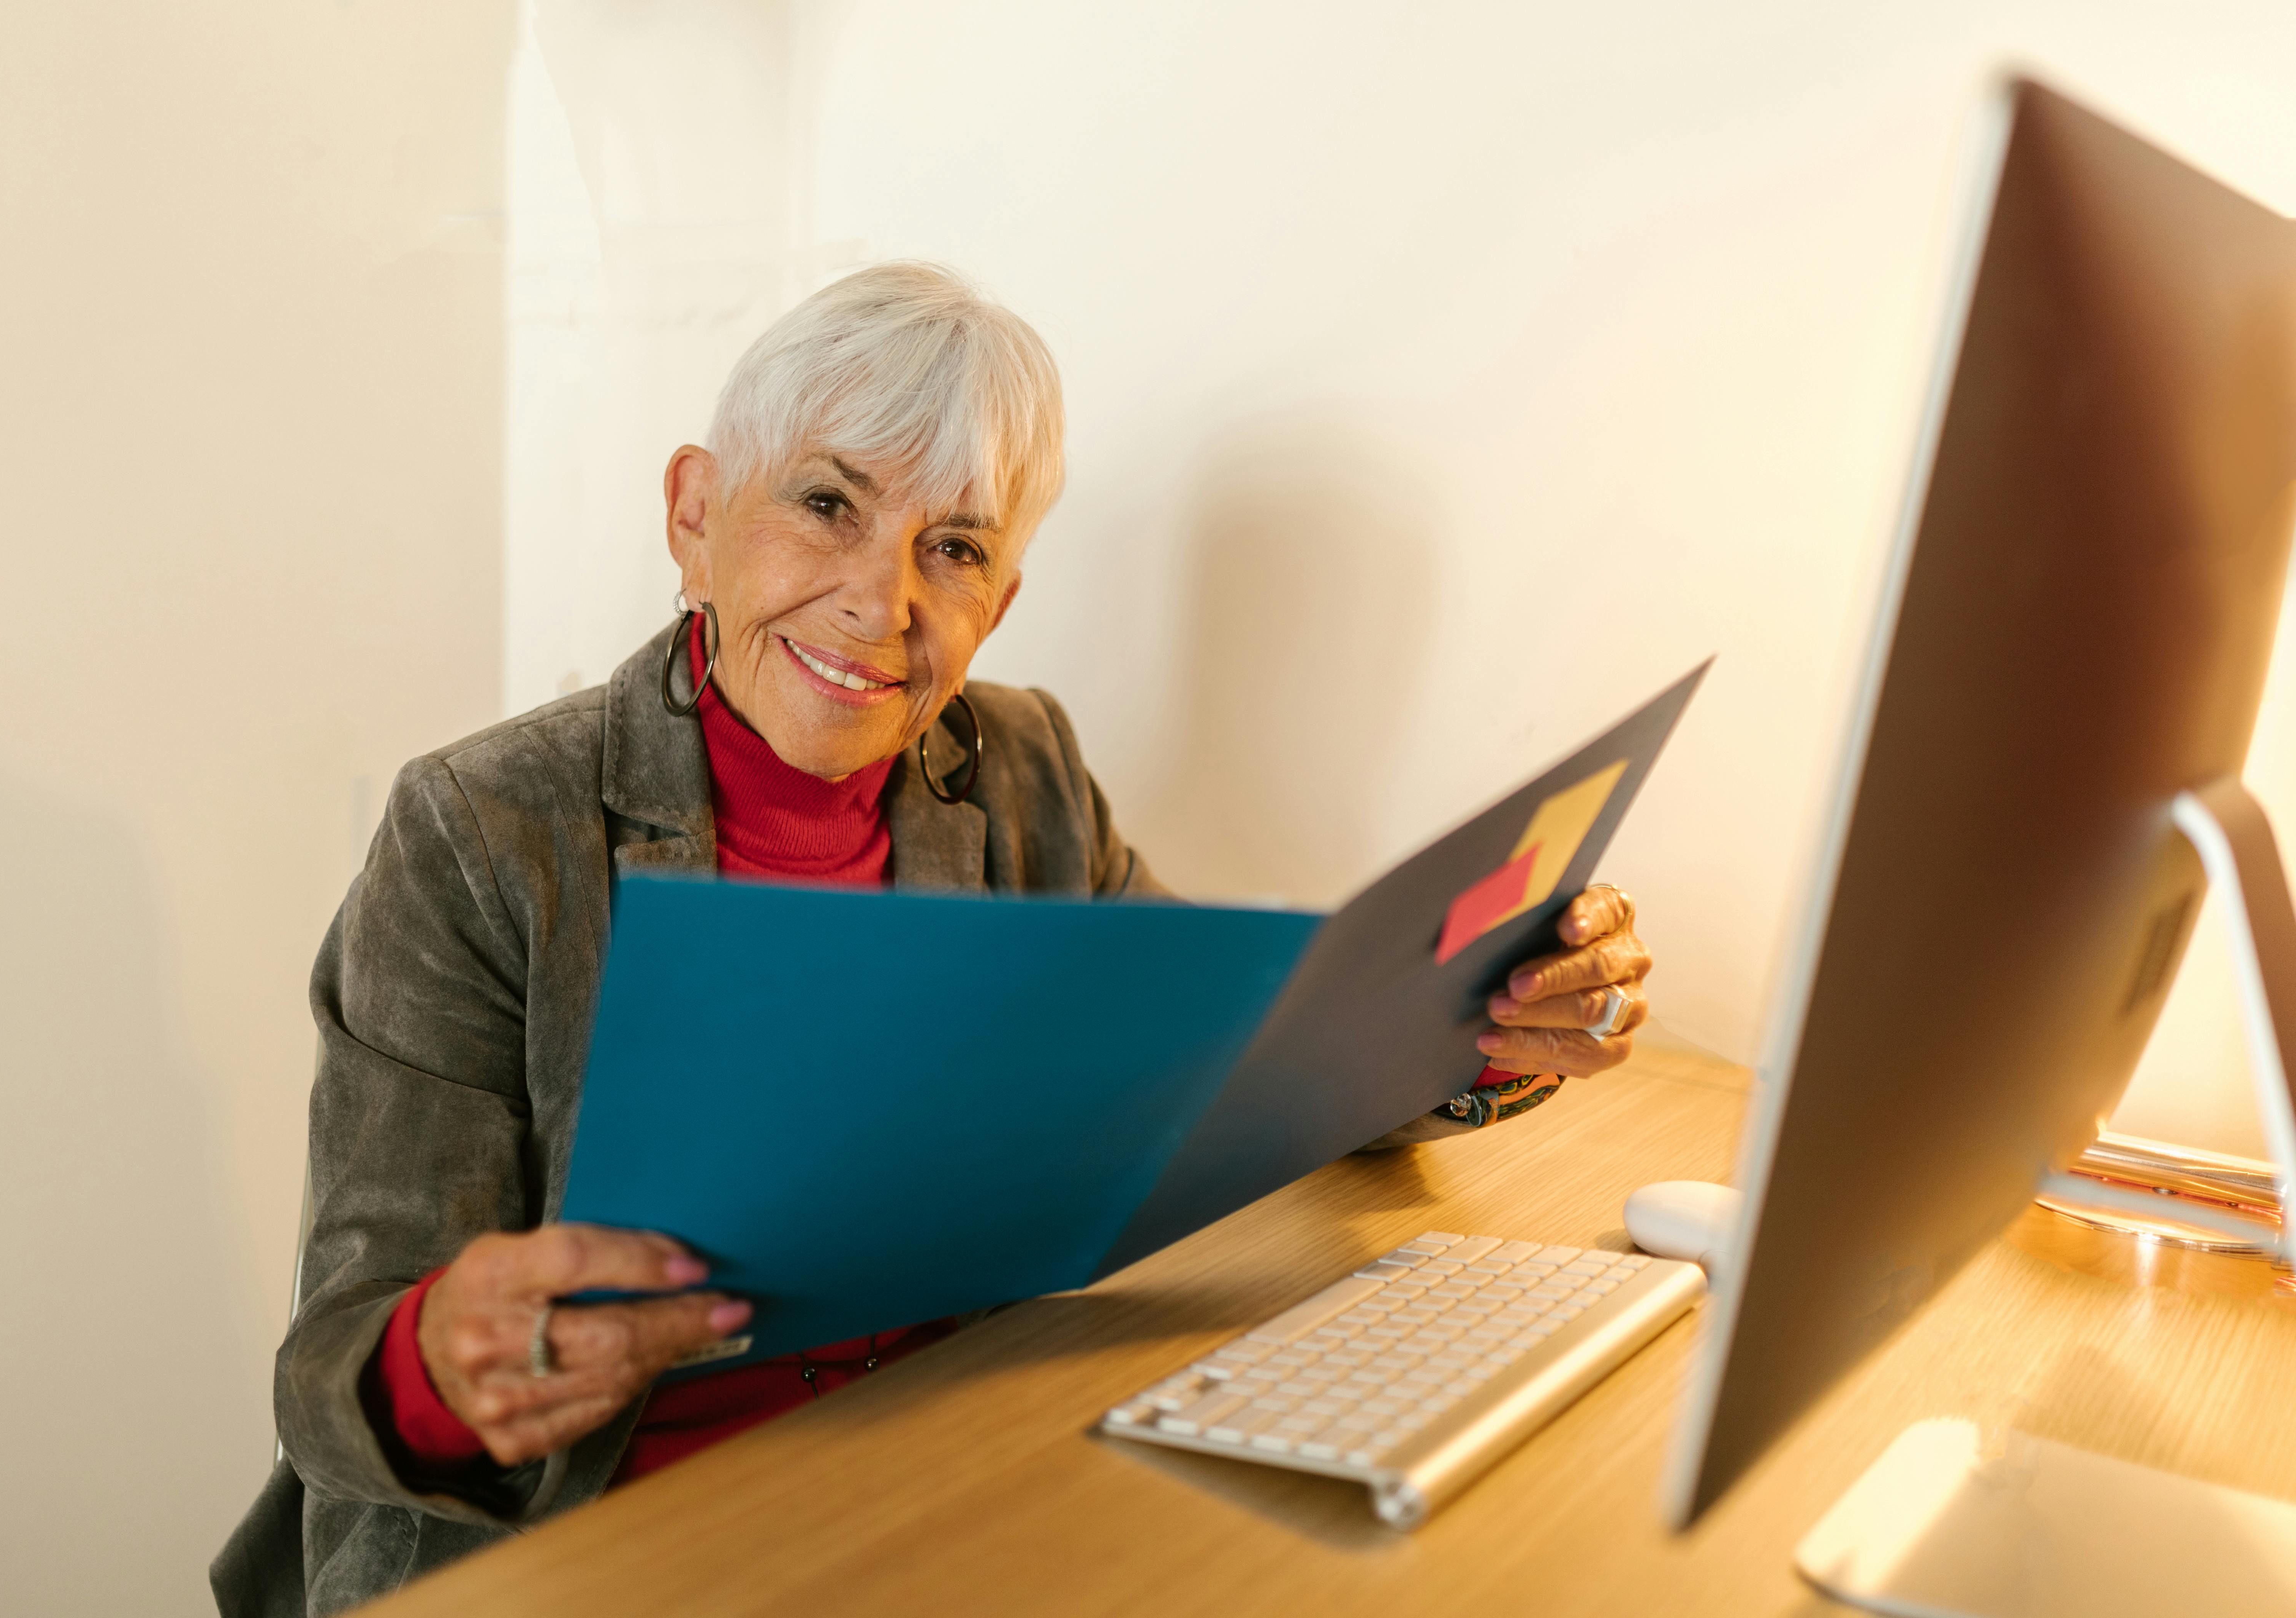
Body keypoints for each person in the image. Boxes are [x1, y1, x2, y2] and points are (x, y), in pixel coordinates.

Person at [211, 263, 1654, 1615]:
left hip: (935, 1491)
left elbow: (1235, 1061)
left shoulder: (1020, 770)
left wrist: (1480, 1018)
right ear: (695, 514)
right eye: (828, 504)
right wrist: (447, 1362)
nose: (881, 599)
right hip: (583, 1533)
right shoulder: (481, 829)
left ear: (999, 604)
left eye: (951, 547)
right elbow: (334, 1364)